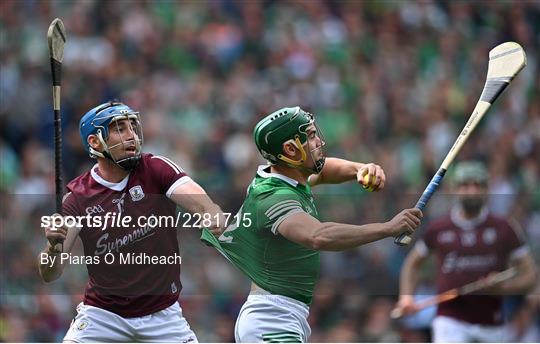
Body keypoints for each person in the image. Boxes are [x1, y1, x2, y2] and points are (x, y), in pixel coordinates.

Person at [201, 106, 423, 342]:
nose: (318, 141)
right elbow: (318, 235)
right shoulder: (272, 197)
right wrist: (388, 228)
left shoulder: (289, 175)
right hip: (270, 319)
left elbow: (325, 171)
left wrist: (359, 169)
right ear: (290, 149)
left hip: (285, 316)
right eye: (310, 136)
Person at [38, 100, 225, 343]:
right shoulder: (77, 198)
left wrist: (211, 212)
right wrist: (53, 246)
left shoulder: (155, 168)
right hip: (103, 316)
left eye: (133, 127)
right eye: (119, 129)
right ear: (95, 142)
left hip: (163, 316)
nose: (132, 136)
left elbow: (201, 202)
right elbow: (50, 274)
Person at [395, 161, 537, 342]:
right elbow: (412, 264)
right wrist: (406, 297)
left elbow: (530, 275)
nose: (472, 191)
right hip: (450, 321)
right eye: (465, 185)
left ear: (487, 188)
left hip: (492, 323)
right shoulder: (439, 228)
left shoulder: (504, 228)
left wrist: (503, 287)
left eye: (478, 185)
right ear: (455, 189)